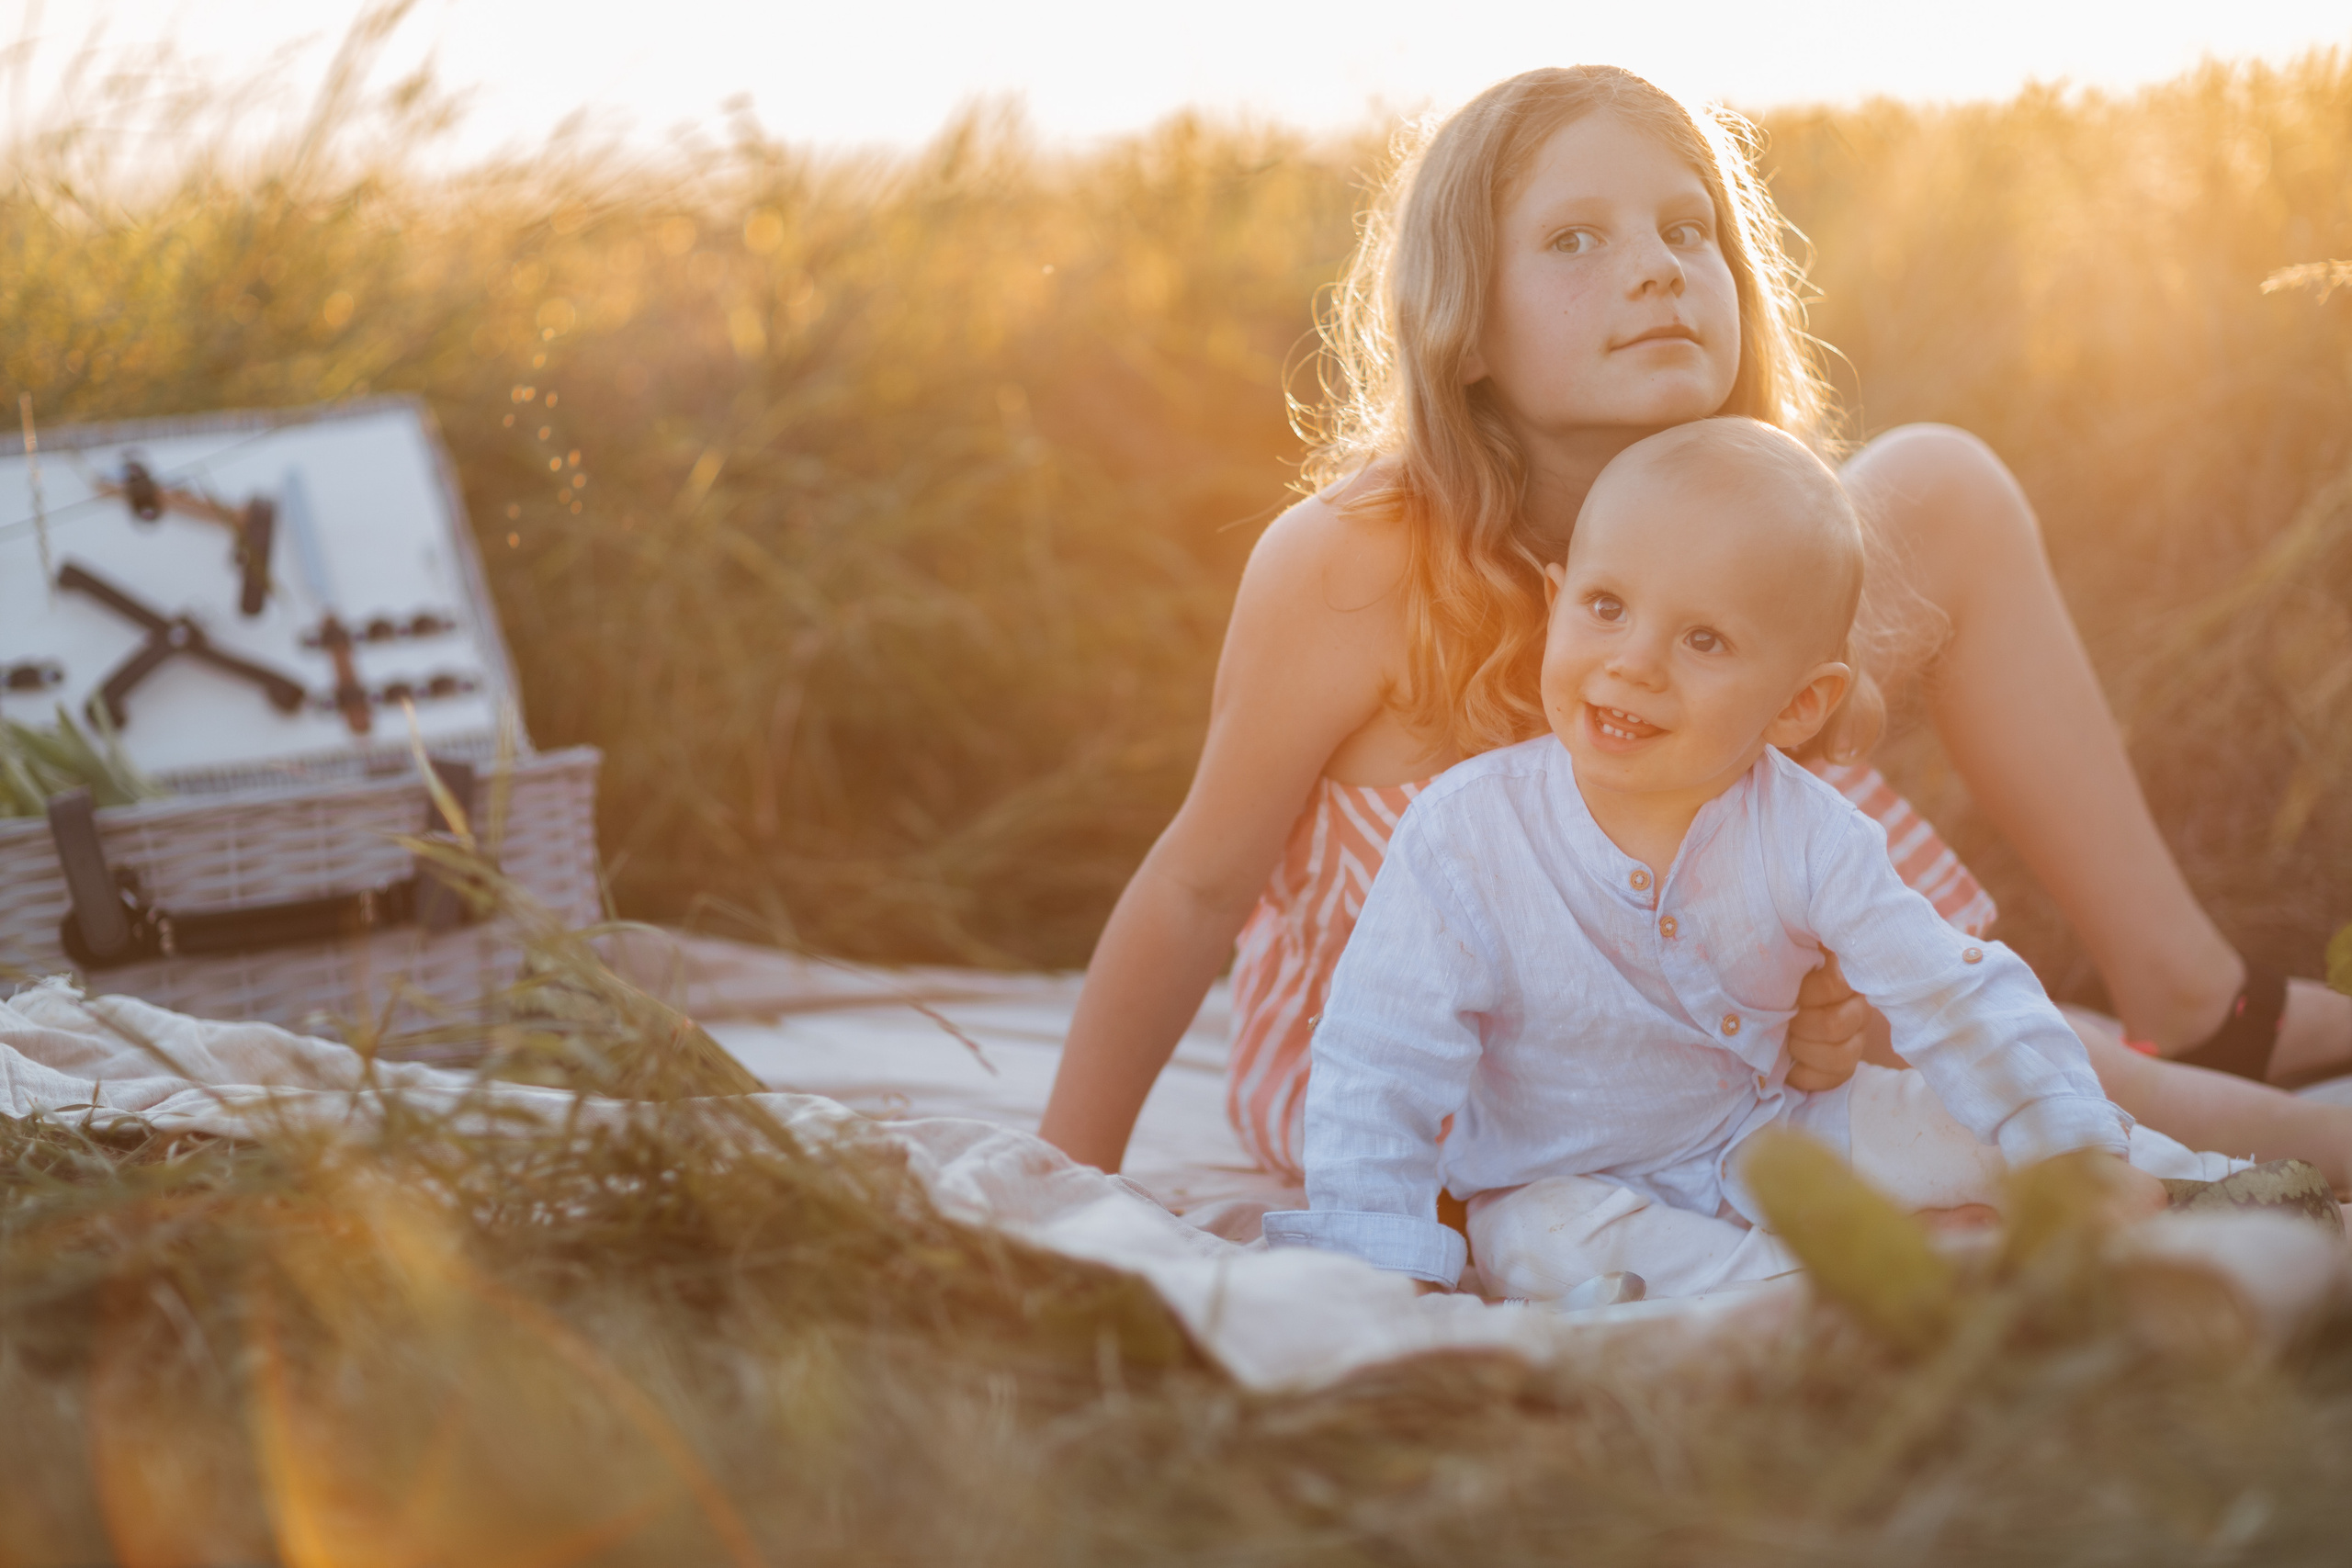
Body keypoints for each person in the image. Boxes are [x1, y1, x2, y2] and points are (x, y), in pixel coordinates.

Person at [1037, 64, 2352, 1196]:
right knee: (1971, 1055)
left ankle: (2194, 995)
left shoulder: (1749, 528)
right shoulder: (1350, 564)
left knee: (1937, 483)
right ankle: (2299, 1143)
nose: (1658, 264)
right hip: (1459, 1054)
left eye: (1689, 228)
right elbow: (1196, 883)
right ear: (1465, 326)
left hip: (1712, 951)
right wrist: (1062, 1179)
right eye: (1576, 241)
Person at [1259, 418, 2245, 1300]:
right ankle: (1858, 1276)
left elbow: (1947, 991)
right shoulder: (1464, 834)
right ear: (1556, 603)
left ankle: (2184, 1196)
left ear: (1796, 705)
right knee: (1540, 1246)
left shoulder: (1807, 830)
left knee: (1946, 1120)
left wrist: (2059, 1145)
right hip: (1568, 1180)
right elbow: (1378, 1060)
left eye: (1702, 639)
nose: (1633, 662)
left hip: (1772, 1133)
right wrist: (1369, 1268)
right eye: (1605, 607)